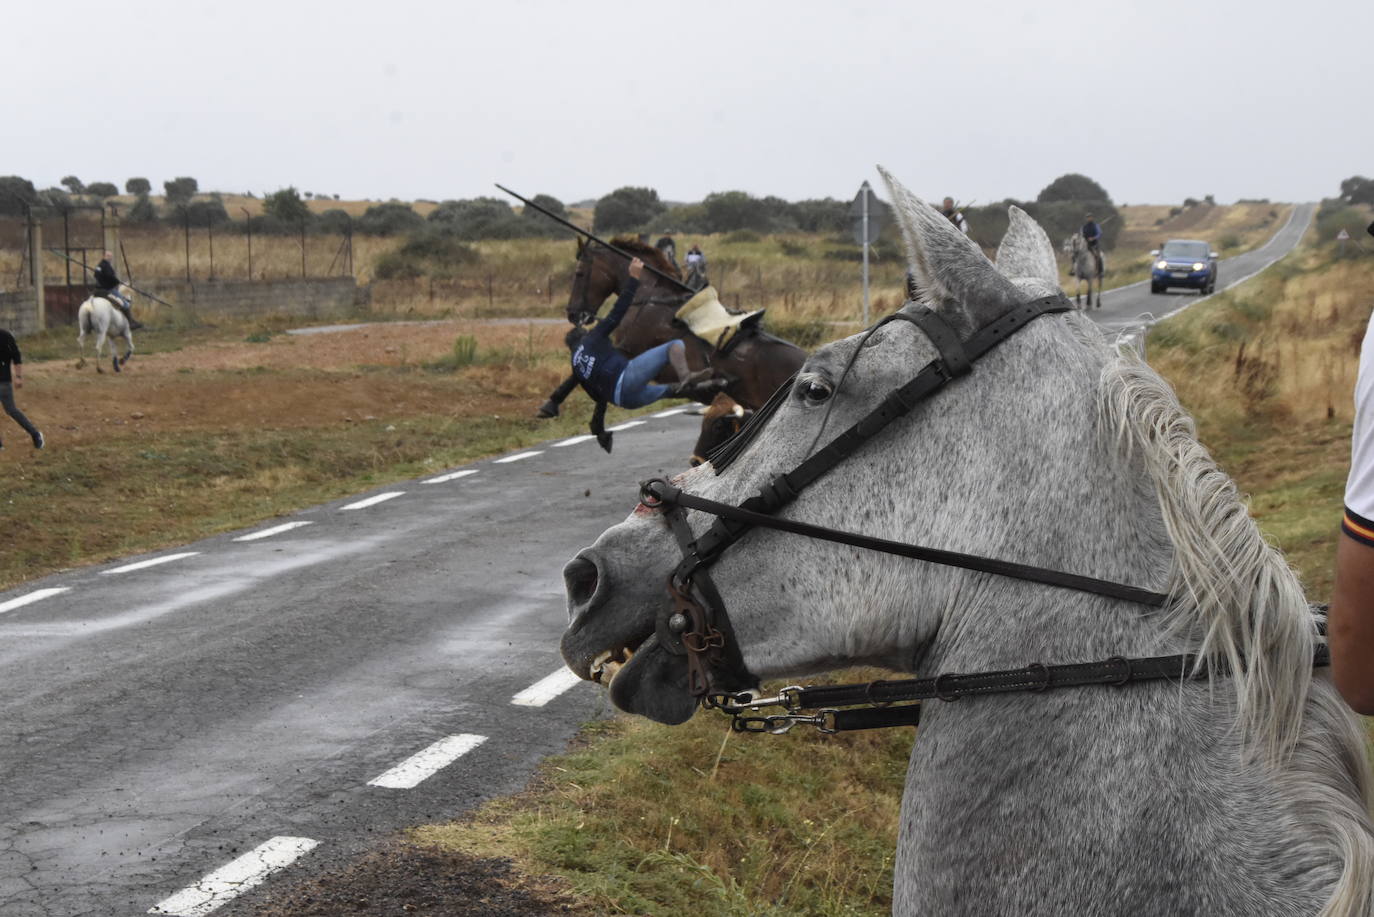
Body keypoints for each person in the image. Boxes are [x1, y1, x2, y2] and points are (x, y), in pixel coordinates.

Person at [568, 258, 719, 410]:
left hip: (624, 401)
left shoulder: (575, 364)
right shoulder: (591, 339)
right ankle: (686, 376)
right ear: (582, 335)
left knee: (670, 390)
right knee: (674, 346)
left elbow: (595, 395)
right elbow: (617, 312)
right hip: (626, 379)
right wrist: (633, 279)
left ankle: (714, 384)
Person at [0, 327, 44, 450]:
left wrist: (18, 376)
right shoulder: (6, 335)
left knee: (11, 410)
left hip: (3, 381)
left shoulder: (4, 336)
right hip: (4, 381)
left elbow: (16, 356)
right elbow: (16, 355)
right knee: (12, 410)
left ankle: (35, 434)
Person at [93, 252, 143, 330]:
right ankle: (130, 323)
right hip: (108, 289)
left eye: (110, 256)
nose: (109, 257)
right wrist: (116, 281)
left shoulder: (99, 266)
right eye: (108, 256)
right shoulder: (106, 266)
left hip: (98, 290)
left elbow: (96, 275)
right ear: (104, 256)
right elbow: (110, 276)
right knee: (125, 304)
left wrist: (105, 280)